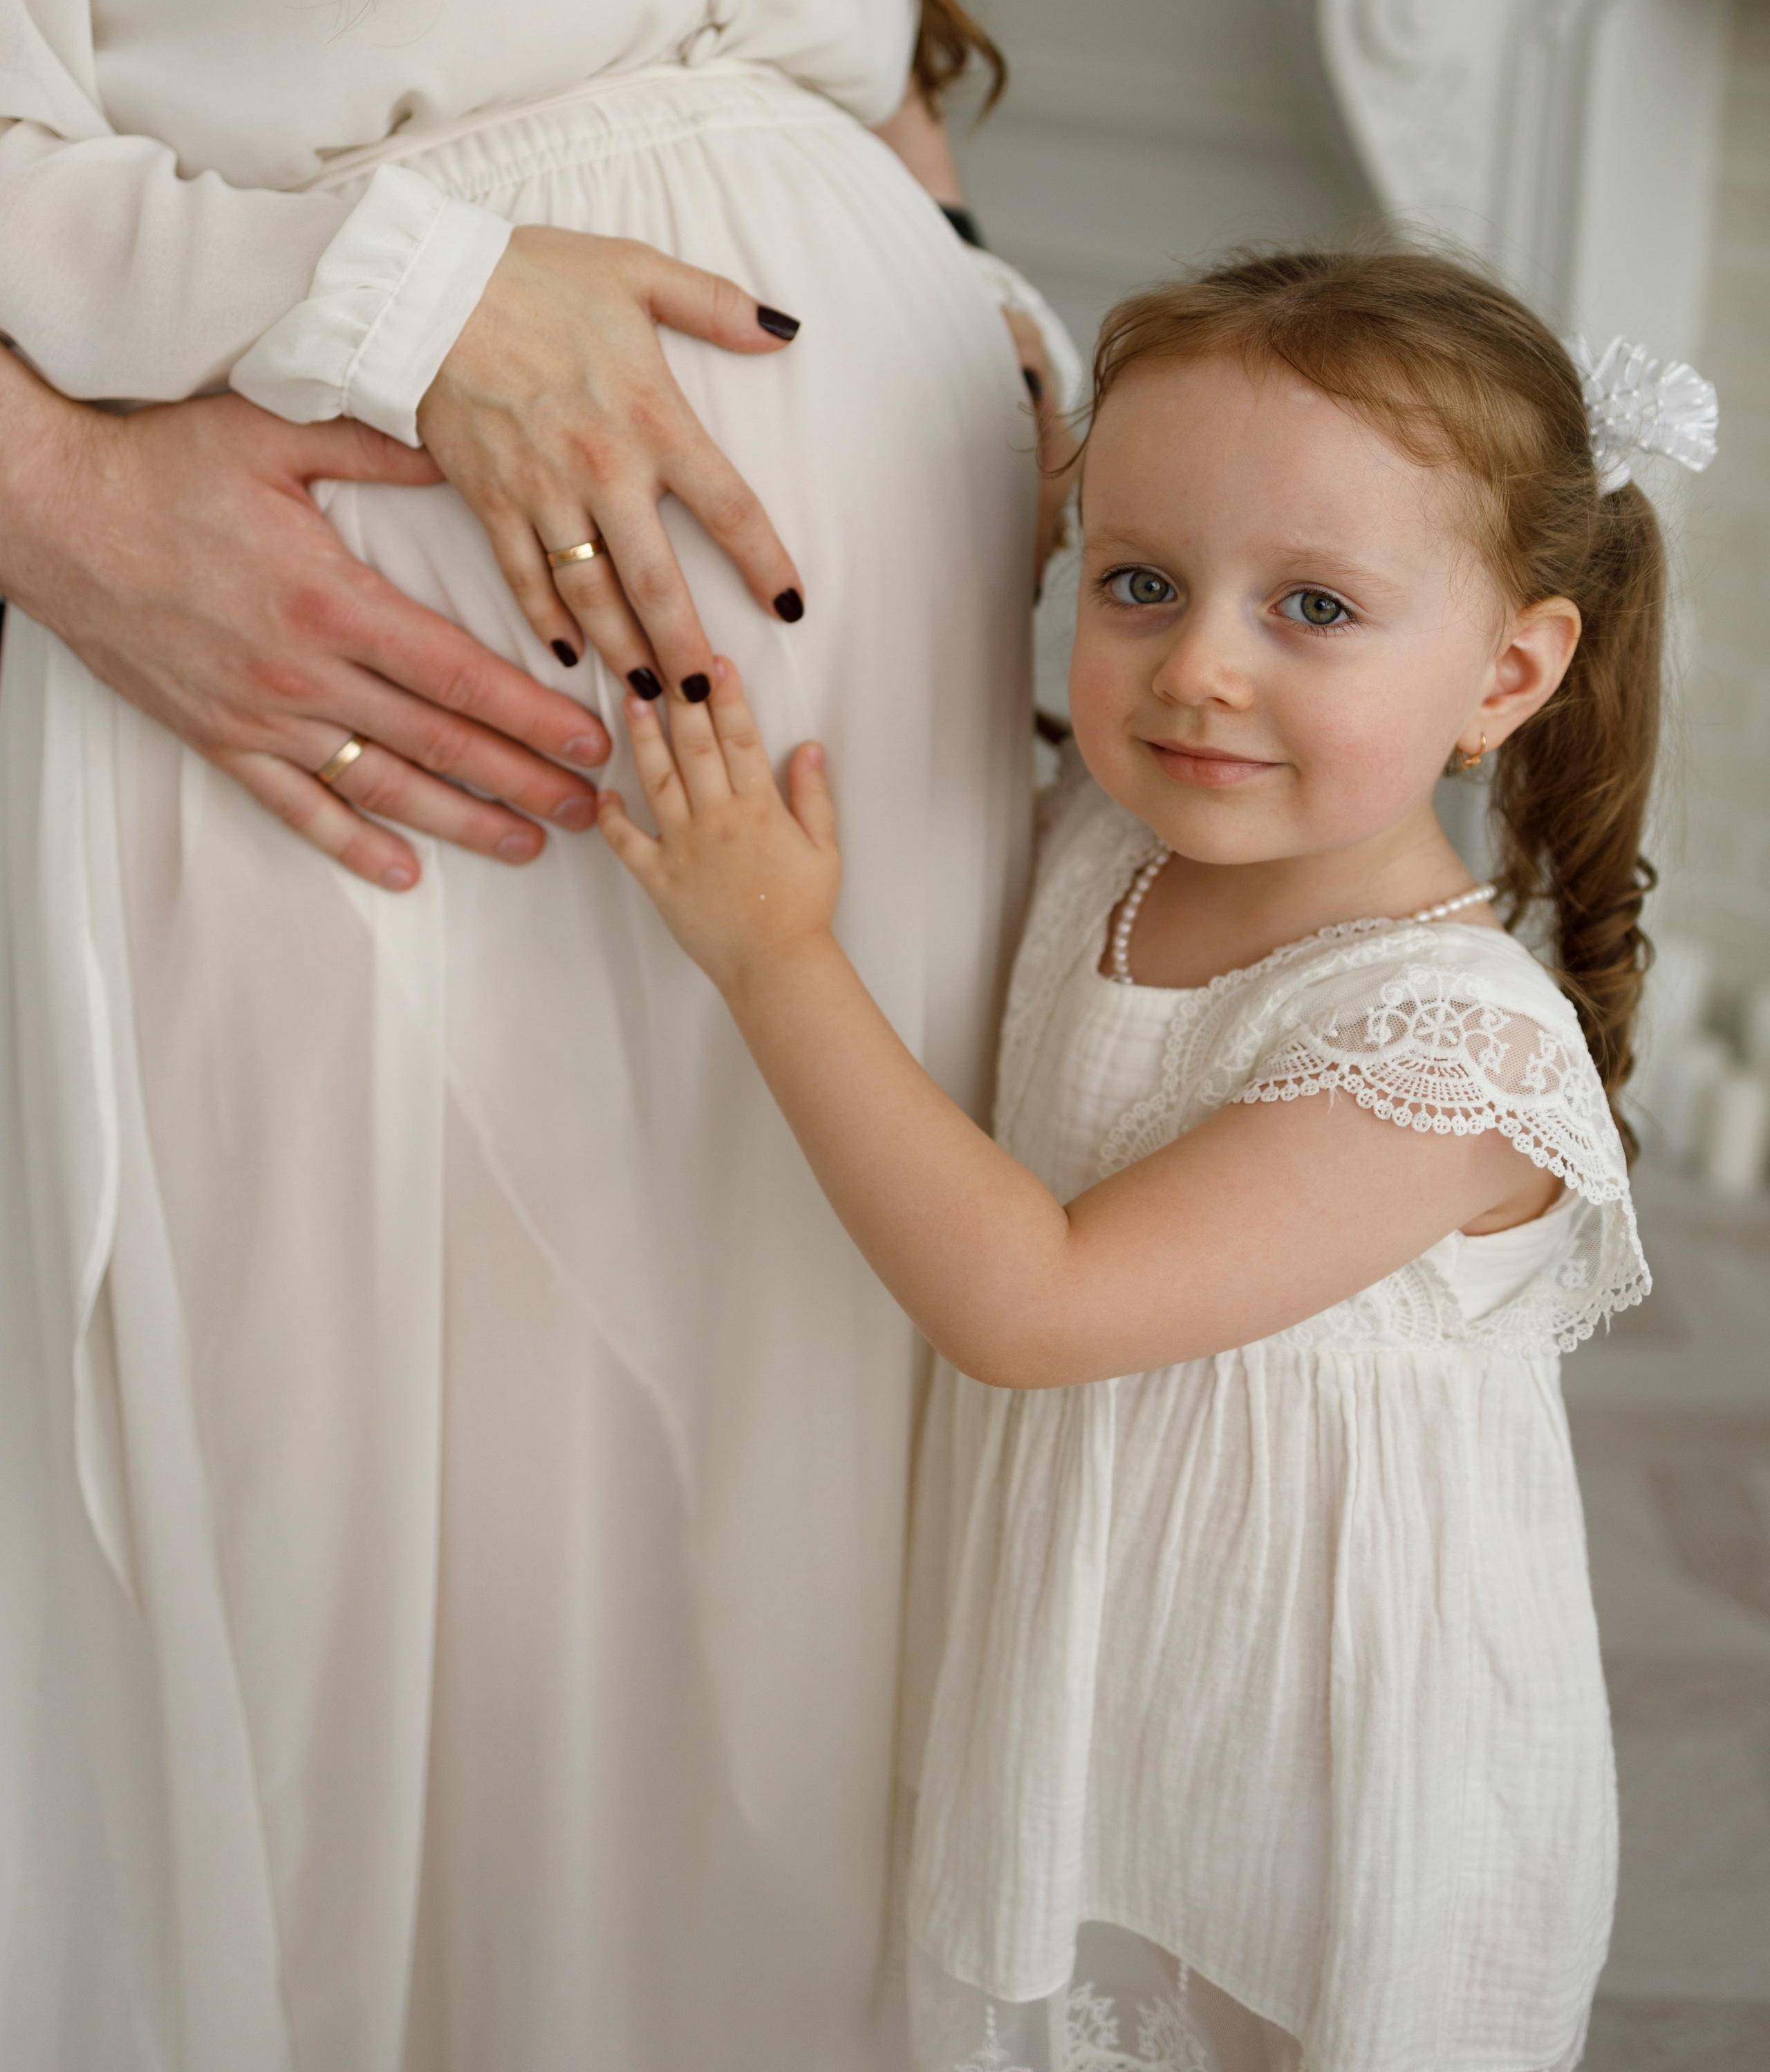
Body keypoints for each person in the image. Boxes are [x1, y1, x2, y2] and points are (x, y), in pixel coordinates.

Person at [0, 0, 1070, 2064]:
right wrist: (403, 297)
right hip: (396, 752)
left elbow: (848, 114)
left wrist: (995, 350)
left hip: (884, 792)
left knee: (825, 1611)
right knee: (434, 1612)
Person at [598, 252, 1720, 2072]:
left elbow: (1032, 1300)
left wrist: (770, 957)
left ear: (1507, 670)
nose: (1197, 664)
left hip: (1326, 1782)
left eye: (1314, 606)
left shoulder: (1448, 1046)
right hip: (1097, 1686)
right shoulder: (1090, 853)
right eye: (1139, 579)